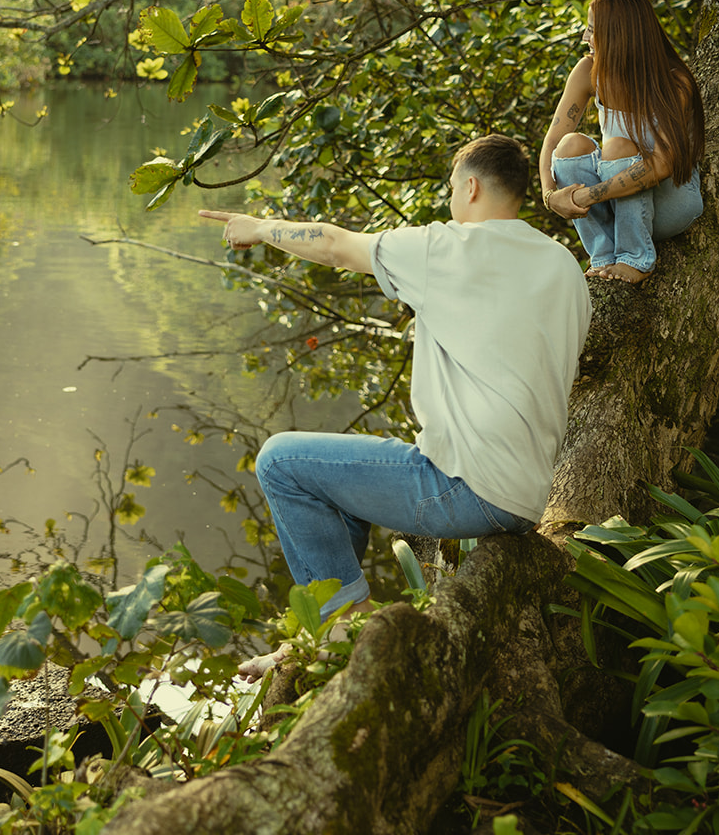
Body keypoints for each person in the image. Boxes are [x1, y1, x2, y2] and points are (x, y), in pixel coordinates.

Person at [199, 133, 591, 675]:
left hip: (466, 489)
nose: (452, 201)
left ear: (471, 187)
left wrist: (259, 228)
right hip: (527, 496)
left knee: (281, 462)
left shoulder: (448, 249)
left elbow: (335, 245)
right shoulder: (564, 267)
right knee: (337, 478)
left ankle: (343, 632)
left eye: (453, 189)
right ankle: (326, 628)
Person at [539, 0, 705, 285]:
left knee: (615, 147)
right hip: (620, 199)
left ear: (618, 36)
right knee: (569, 145)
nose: (584, 38)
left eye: (592, 30)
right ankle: (603, 256)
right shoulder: (589, 70)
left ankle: (635, 257)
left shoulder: (674, 82)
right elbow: (552, 141)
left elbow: (661, 165)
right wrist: (551, 195)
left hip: (671, 201)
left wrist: (584, 196)